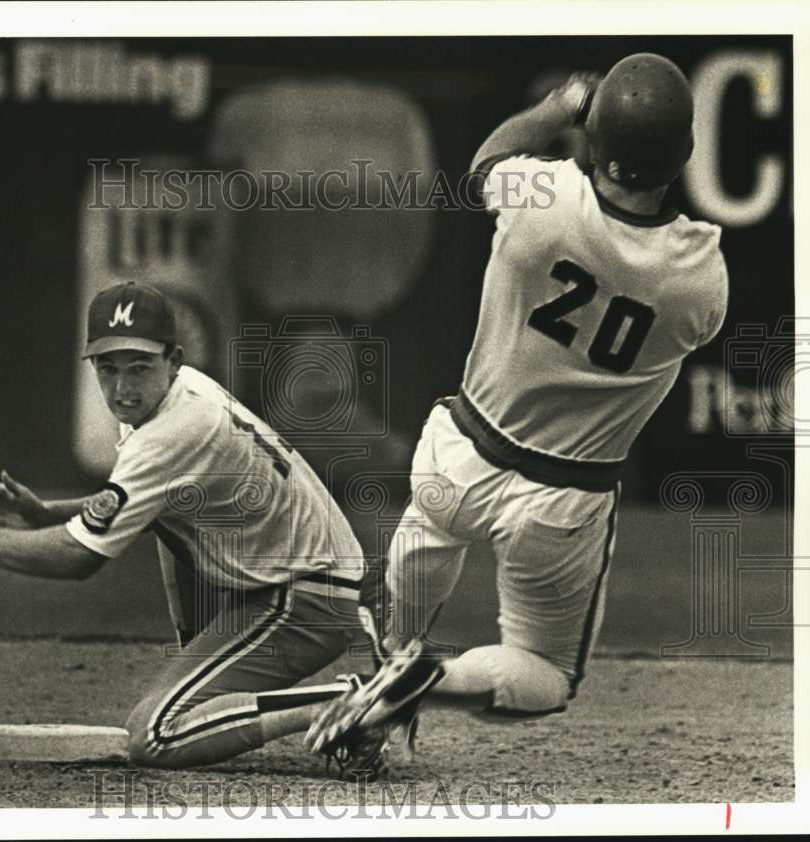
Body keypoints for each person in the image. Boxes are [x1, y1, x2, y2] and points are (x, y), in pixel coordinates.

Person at [307, 53, 729, 758]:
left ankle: (391, 669)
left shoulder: (543, 199)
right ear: (684, 153)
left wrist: (565, 103)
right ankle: (430, 679)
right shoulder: (699, 277)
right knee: (544, 673)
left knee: (401, 592)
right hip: (561, 500)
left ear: (596, 142)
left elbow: (487, 158)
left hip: (461, 453)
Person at [0, 281, 383, 774]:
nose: (122, 387)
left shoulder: (173, 430)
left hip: (306, 599)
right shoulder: (178, 395)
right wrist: (47, 514)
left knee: (155, 735)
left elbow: (80, 559)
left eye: (139, 367)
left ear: (174, 359)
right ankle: (211, 683)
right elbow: (138, 502)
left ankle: (349, 702)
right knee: (167, 518)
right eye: (107, 368)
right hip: (300, 575)